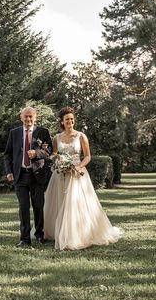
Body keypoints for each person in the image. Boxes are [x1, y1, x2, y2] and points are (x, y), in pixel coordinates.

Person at [43, 107, 122, 250]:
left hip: (77, 174)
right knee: (58, 202)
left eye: (72, 119)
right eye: (67, 119)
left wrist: (78, 166)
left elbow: (87, 156)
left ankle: (75, 235)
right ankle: (56, 231)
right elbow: (54, 154)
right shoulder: (56, 138)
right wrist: (59, 161)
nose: (70, 121)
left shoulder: (81, 136)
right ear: (62, 121)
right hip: (60, 174)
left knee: (73, 203)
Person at [4, 106, 52, 247]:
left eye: (31, 116)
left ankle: (39, 235)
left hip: (37, 175)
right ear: (21, 118)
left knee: (38, 206)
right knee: (23, 207)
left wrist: (37, 153)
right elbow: (7, 154)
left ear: (35, 117)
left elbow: (49, 150)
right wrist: (9, 171)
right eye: (26, 116)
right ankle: (24, 239)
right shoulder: (14, 133)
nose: (28, 119)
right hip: (20, 176)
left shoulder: (43, 132)